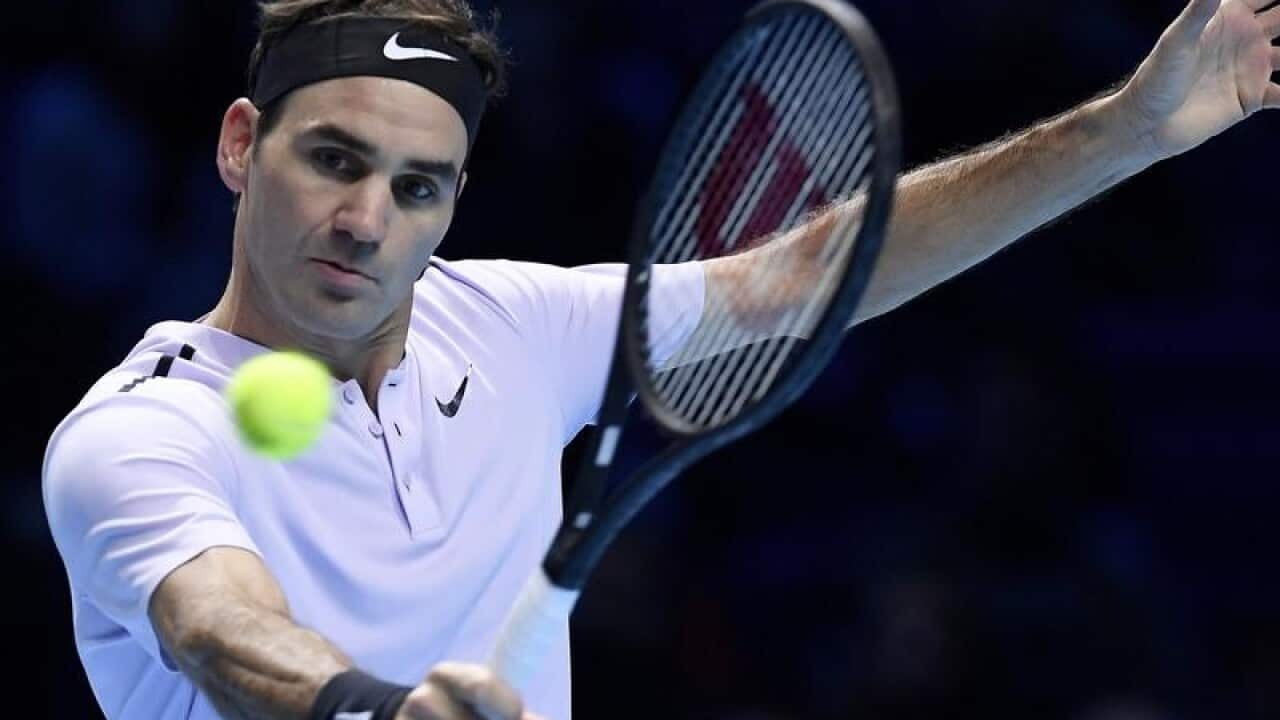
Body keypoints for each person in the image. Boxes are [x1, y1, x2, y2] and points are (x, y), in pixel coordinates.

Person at [40, 0, 1279, 718]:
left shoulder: (513, 328)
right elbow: (215, 622)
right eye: (333, 159)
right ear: (241, 143)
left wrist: (1132, 129)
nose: (367, 218)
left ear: (457, 200)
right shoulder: (138, 435)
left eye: (417, 185)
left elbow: (809, 274)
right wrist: (374, 708)